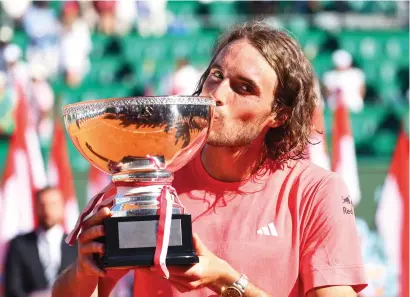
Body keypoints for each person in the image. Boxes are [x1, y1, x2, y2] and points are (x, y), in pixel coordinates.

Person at [52, 22, 367, 297]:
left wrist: (227, 281)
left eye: (244, 88)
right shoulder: (150, 179)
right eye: (216, 75)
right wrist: (84, 271)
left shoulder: (315, 191)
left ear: (278, 114)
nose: (217, 93)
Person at [4, 187, 78, 297]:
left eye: (53, 204)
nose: (47, 210)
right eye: (42, 204)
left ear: (62, 207)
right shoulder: (19, 244)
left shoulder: (78, 246)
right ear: (36, 207)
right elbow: (12, 288)